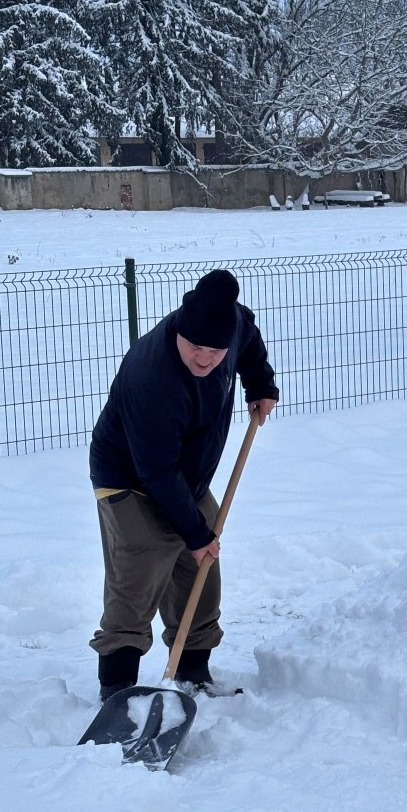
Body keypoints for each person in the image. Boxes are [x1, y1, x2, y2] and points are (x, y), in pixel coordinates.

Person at [88, 269, 278, 702]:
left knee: (201, 570)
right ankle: (118, 689)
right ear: (180, 330)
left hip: (184, 475)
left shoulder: (231, 326)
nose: (206, 359)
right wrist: (194, 533)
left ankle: (193, 674)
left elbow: (247, 335)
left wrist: (260, 382)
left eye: (215, 352)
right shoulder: (151, 377)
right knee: (141, 567)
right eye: (196, 348)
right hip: (129, 477)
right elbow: (156, 471)